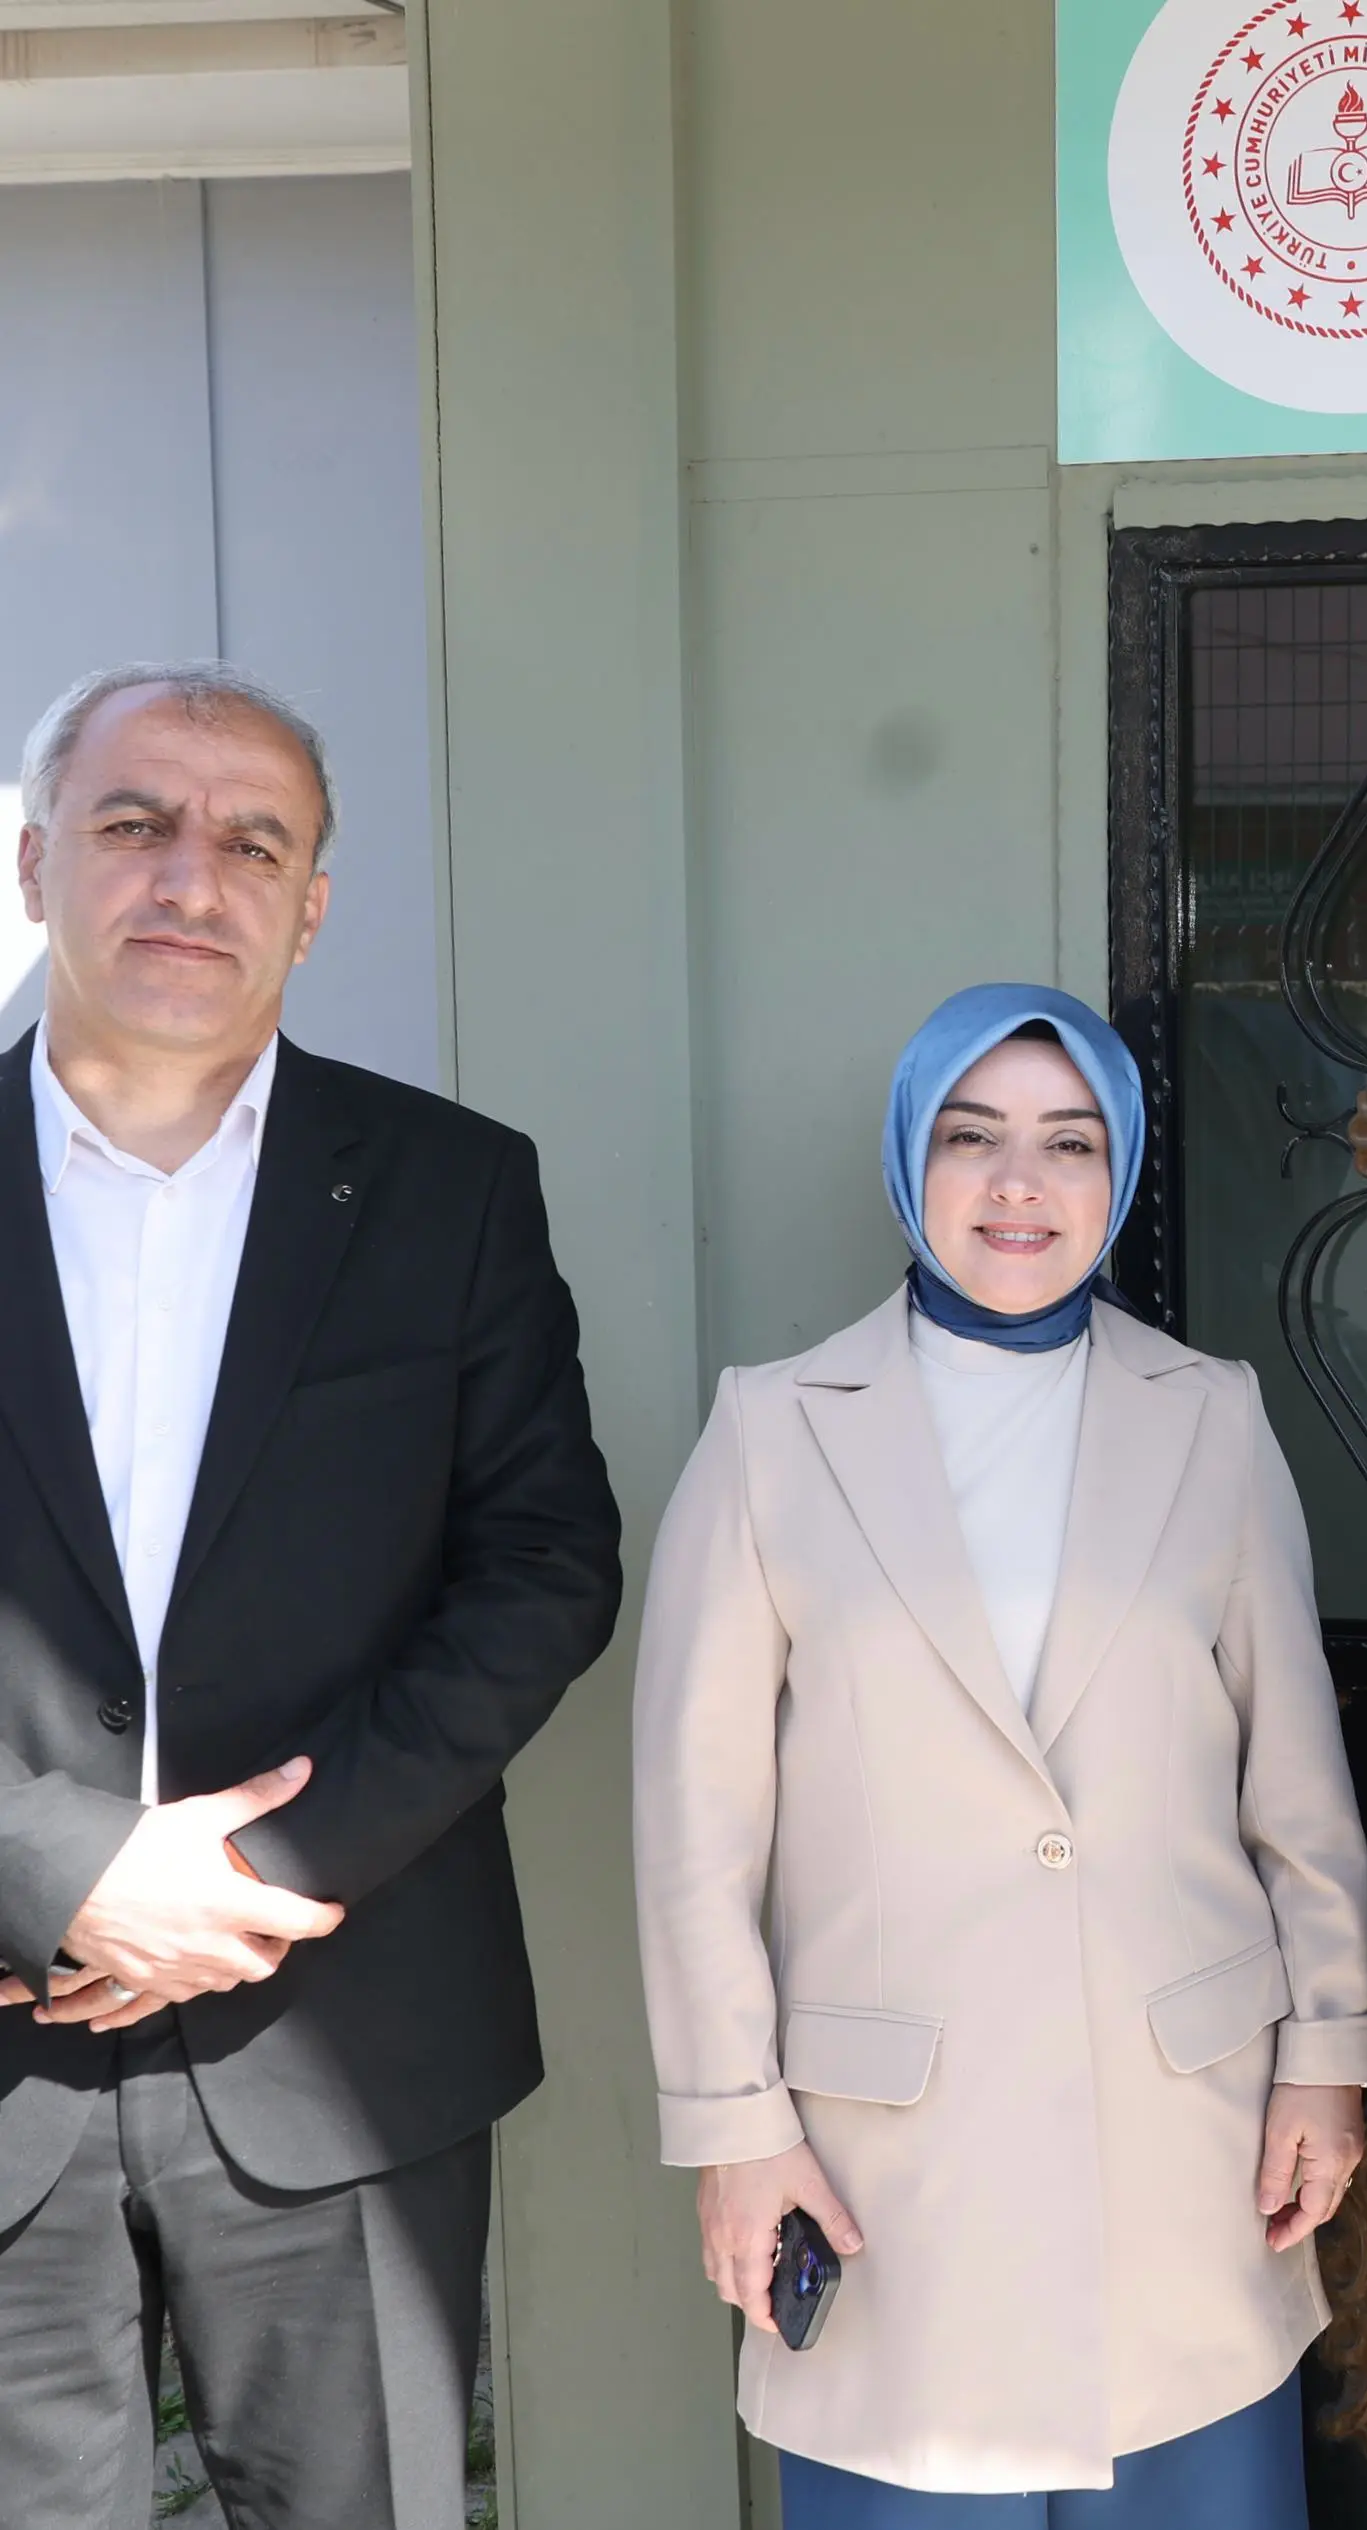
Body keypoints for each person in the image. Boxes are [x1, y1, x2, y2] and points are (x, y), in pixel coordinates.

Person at [632, 984, 1367, 2526]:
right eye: (972, 1138)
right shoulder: (773, 1430)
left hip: (1186, 2148)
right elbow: (694, 1830)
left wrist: (1327, 2050)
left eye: (1069, 1141)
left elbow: (1295, 1784)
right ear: (911, 1161)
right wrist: (735, 2127)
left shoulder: (1213, 1417)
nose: (1019, 1182)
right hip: (886, 2170)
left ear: (1122, 1171)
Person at [0, 663, 623, 2527]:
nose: (191, 876)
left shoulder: (451, 1189)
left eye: (251, 842)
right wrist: (57, 1868)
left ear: (312, 904)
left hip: (342, 2037)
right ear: (35, 862)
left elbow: (542, 1564)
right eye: (134, 823)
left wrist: (265, 1869)